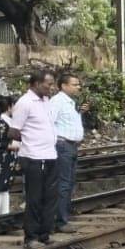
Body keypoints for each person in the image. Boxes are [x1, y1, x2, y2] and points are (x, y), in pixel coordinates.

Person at [7, 69, 58, 248]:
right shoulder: (25, 102)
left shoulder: (46, 101)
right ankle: (31, 237)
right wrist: (30, 140)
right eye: (49, 84)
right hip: (33, 157)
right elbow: (13, 130)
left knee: (50, 197)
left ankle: (45, 233)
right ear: (36, 84)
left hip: (50, 155)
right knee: (35, 198)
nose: (52, 87)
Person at [49, 73, 86, 233]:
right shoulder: (57, 101)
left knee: (69, 183)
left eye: (78, 84)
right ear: (63, 86)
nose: (78, 87)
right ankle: (60, 221)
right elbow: (48, 122)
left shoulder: (71, 103)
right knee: (63, 184)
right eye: (74, 84)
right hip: (62, 145)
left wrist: (81, 113)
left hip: (71, 146)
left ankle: (63, 217)